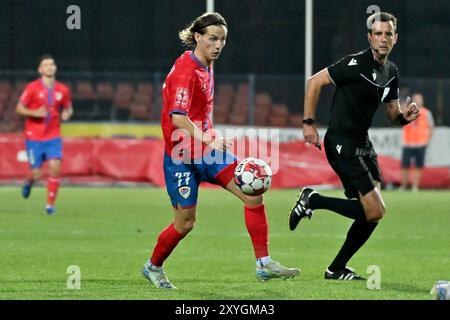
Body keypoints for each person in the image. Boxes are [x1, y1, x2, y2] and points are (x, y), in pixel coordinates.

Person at [142, 12, 299, 289]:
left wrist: (207, 140)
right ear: (197, 37)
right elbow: (177, 117)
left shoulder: (205, 64)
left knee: (253, 193)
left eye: (222, 39)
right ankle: (153, 267)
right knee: (185, 223)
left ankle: (263, 263)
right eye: (212, 39)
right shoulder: (186, 72)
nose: (218, 45)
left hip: (208, 152)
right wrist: (208, 138)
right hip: (182, 156)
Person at [288, 12, 420, 280]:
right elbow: (314, 82)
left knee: (371, 213)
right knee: (376, 210)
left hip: (362, 143)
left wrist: (406, 117)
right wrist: (308, 122)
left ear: (395, 38)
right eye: (378, 34)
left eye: (388, 34)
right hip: (341, 142)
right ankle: (314, 199)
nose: (383, 39)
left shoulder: (390, 71)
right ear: (370, 37)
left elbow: (392, 114)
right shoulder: (355, 63)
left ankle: (336, 268)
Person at [16, 55, 73, 215]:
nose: (49, 67)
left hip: (53, 135)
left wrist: (67, 113)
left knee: (55, 167)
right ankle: (29, 182)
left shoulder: (63, 90)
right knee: (37, 173)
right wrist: (34, 112)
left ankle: (50, 205)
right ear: (40, 69)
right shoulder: (32, 88)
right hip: (34, 137)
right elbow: (19, 108)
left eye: (52, 64)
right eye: (45, 65)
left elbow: (68, 107)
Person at [400, 93, 434, 192]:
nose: (418, 101)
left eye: (419, 99)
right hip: (408, 142)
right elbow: (400, 118)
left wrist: (428, 141)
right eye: (416, 99)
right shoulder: (407, 111)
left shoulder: (426, 113)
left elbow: (431, 127)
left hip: (420, 143)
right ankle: (403, 186)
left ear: (422, 101)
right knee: (405, 166)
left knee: (418, 166)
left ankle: (415, 187)